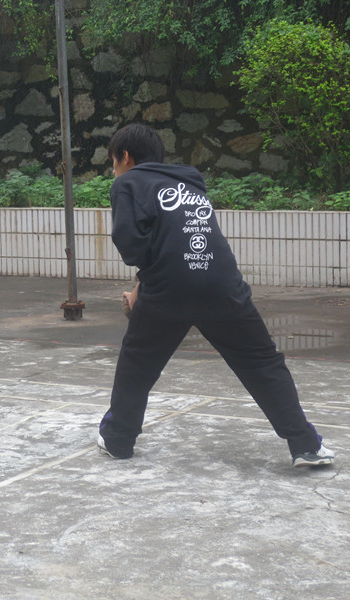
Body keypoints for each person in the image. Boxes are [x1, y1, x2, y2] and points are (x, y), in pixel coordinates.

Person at [96, 122, 335, 467]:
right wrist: (141, 288)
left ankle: (118, 440)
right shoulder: (190, 180)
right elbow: (179, 240)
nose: (114, 170)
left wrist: (143, 290)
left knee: (138, 363)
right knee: (261, 362)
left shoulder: (128, 183)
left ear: (126, 157)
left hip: (168, 290)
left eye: (113, 162)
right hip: (222, 284)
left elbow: (132, 247)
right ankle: (306, 445)